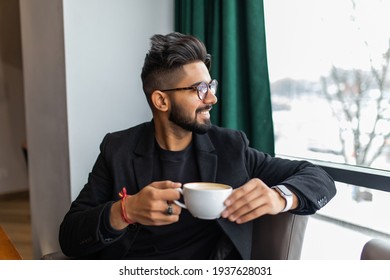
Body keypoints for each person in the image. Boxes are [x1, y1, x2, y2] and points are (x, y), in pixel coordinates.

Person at [59, 32, 336, 260]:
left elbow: (319, 177)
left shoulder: (230, 147)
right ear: (161, 101)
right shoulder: (117, 149)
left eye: (210, 85)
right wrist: (125, 211)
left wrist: (280, 197)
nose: (212, 98)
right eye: (200, 89)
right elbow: (70, 236)